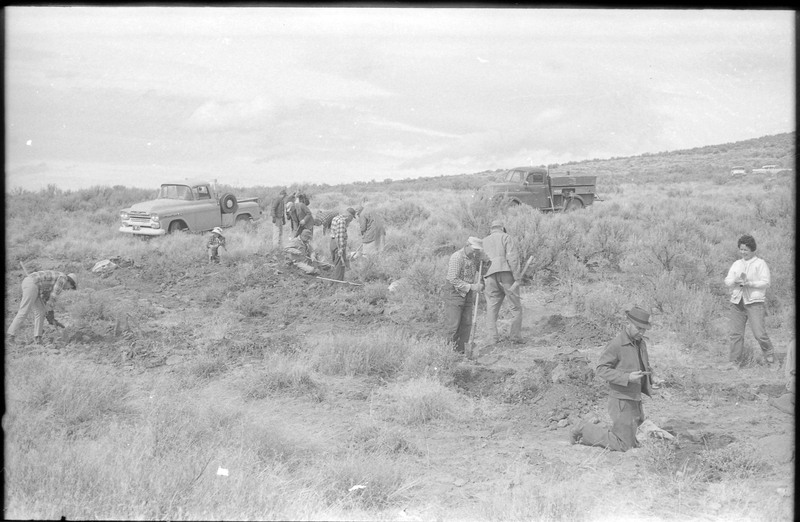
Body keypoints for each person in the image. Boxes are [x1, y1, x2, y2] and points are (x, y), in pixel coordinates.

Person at [570, 305, 654, 451]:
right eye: (638, 328)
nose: (641, 332)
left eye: (644, 329)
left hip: (635, 398)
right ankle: (583, 428)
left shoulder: (641, 344)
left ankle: (617, 434)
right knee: (623, 445)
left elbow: (645, 366)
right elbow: (601, 369)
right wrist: (627, 377)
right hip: (621, 400)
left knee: (632, 440)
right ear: (628, 324)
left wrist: (654, 379)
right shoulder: (617, 344)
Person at [723, 234, 776, 367]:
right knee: (736, 334)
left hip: (754, 303)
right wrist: (735, 281)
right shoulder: (736, 264)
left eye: (746, 249)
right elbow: (727, 281)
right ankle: (734, 362)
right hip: (737, 302)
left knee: (759, 334)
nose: (743, 252)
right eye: (741, 249)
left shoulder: (760, 263)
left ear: (753, 250)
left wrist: (750, 283)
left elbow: (766, 283)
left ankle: (771, 358)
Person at [7, 270, 78, 345]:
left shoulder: (54, 281)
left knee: (41, 311)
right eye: (70, 288)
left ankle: (38, 338)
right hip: (32, 284)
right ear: (70, 282)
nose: (67, 289)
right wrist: (50, 312)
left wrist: (50, 315)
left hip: (35, 286)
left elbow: (46, 298)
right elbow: (53, 296)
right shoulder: (63, 278)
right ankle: (10, 335)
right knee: (24, 311)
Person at [482, 219, 523, 345]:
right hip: (506, 275)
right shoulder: (506, 237)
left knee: (491, 307)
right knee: (515, 307)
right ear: (502, 228)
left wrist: (481, 279)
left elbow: (480, 262)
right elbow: (512, 257)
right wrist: (517, 276)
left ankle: (492, 338)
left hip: (490, 276)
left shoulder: (484, 241)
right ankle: (515, 337)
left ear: (491, 229)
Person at [444, 237, 485, 354]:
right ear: (467, 245)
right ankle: (447, 352)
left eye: (478, 250)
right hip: (454, 293)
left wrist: (486, 262)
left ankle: (461, 352)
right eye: (474, 249)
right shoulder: (457, 257)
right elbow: (453, 279)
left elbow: (483, 271)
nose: (476, 252)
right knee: (453, 326)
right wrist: (472, 287)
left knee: (466, 324)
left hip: (467, 293)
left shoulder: (475, 258)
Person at [329, 208, 357, 281]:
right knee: (340, 264)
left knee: (336, 262)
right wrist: (341, 249)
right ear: (349, 216)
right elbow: (340, 236)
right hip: (338, 244)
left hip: (332, 242)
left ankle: (335, 279)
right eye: (352, 218)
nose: (351, 220)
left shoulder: (336, 218)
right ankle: (338, 282)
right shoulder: (342, 221)